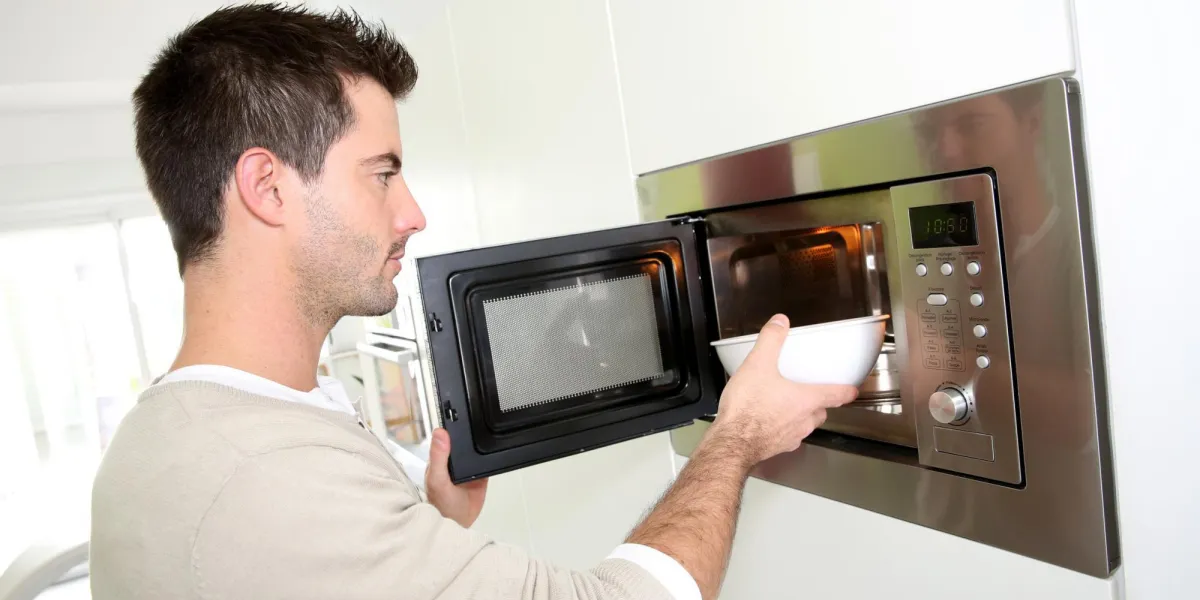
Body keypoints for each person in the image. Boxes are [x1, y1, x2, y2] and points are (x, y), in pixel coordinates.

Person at [89, 5, 858, 600]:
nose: (413, 213)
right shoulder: (264, 475)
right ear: (267, 187)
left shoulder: (164, 437)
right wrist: (738, 435)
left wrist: (424, 530)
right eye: (382, 173)